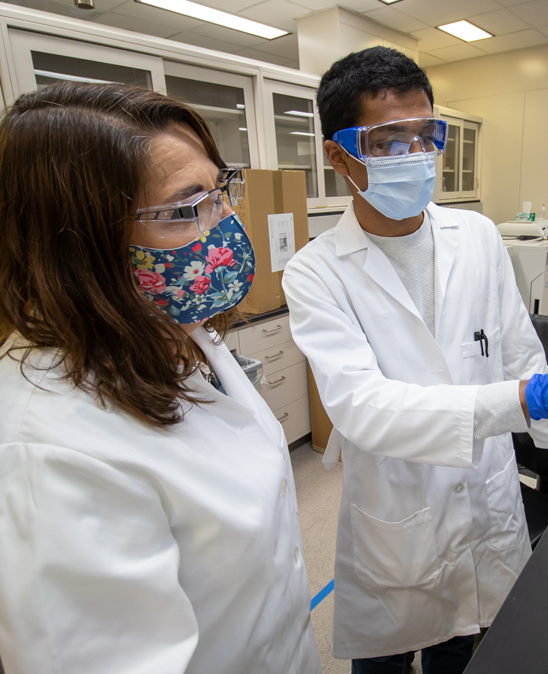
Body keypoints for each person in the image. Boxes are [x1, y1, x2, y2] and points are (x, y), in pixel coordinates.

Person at [281, 47, 548, 674]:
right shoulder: (315, 273)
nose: (417, 155)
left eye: (427, 135)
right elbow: (363, 408)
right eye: (391, 140)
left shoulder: (475, 237)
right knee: (386, 662)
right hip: (397, 513)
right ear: (339, 156)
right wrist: (529, 400)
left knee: (462, 649)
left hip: (483, 498)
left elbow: (518, 356)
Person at [0, 82, 321, 674]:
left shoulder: (178, 329)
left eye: (220, 191)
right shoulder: (49, 452)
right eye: (182, 209)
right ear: (79, 246)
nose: (222, 225)